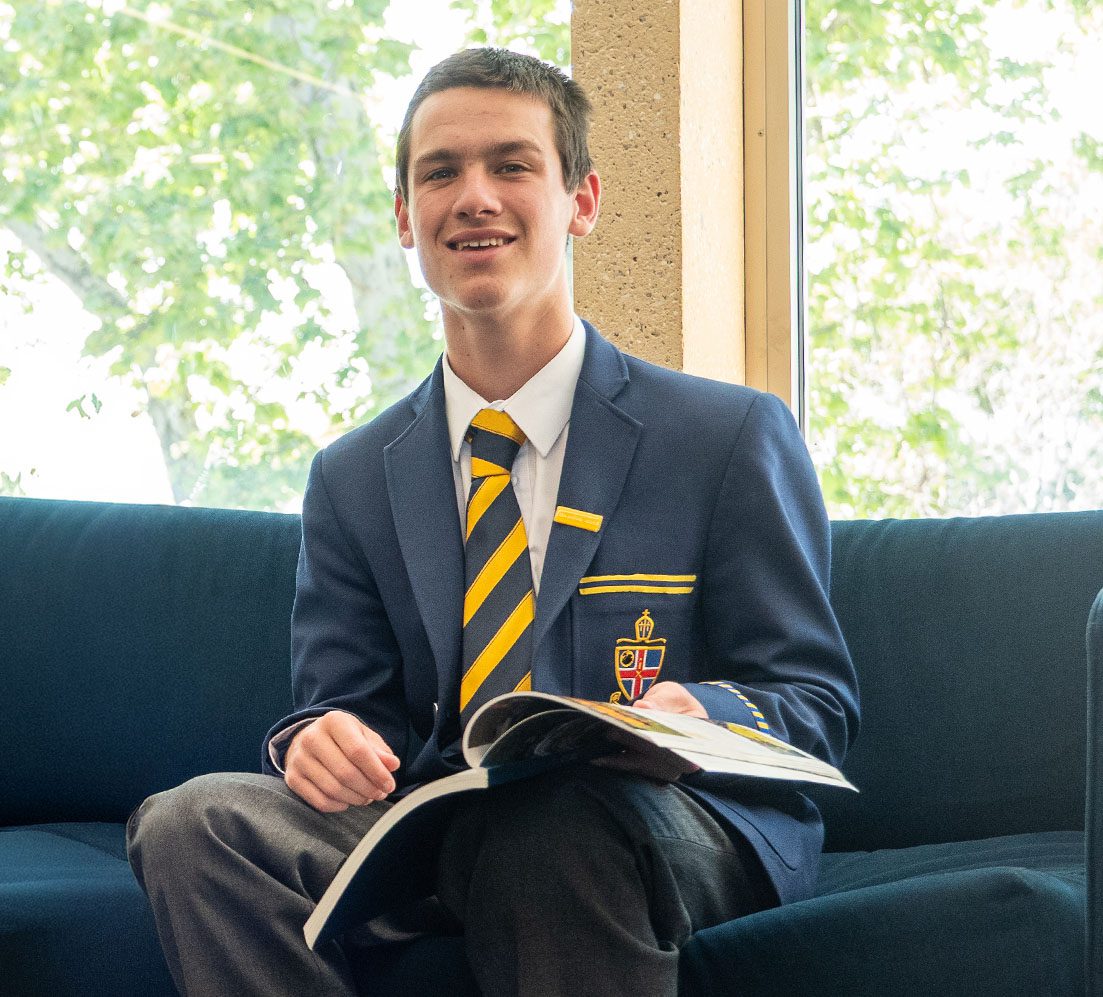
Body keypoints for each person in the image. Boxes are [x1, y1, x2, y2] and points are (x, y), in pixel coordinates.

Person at [127, 47, 859, 997]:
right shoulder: (352, 476)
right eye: (440, 172)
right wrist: (319, 739)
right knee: (192, 824)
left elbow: (815, 707)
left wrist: (698, 714)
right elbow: (344, 704)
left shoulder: (725, 436)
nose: (474, 196)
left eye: (511, 165)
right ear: (404, 217)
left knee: (550, 826)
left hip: (665, 822)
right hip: (438, 817)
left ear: (580, 202)